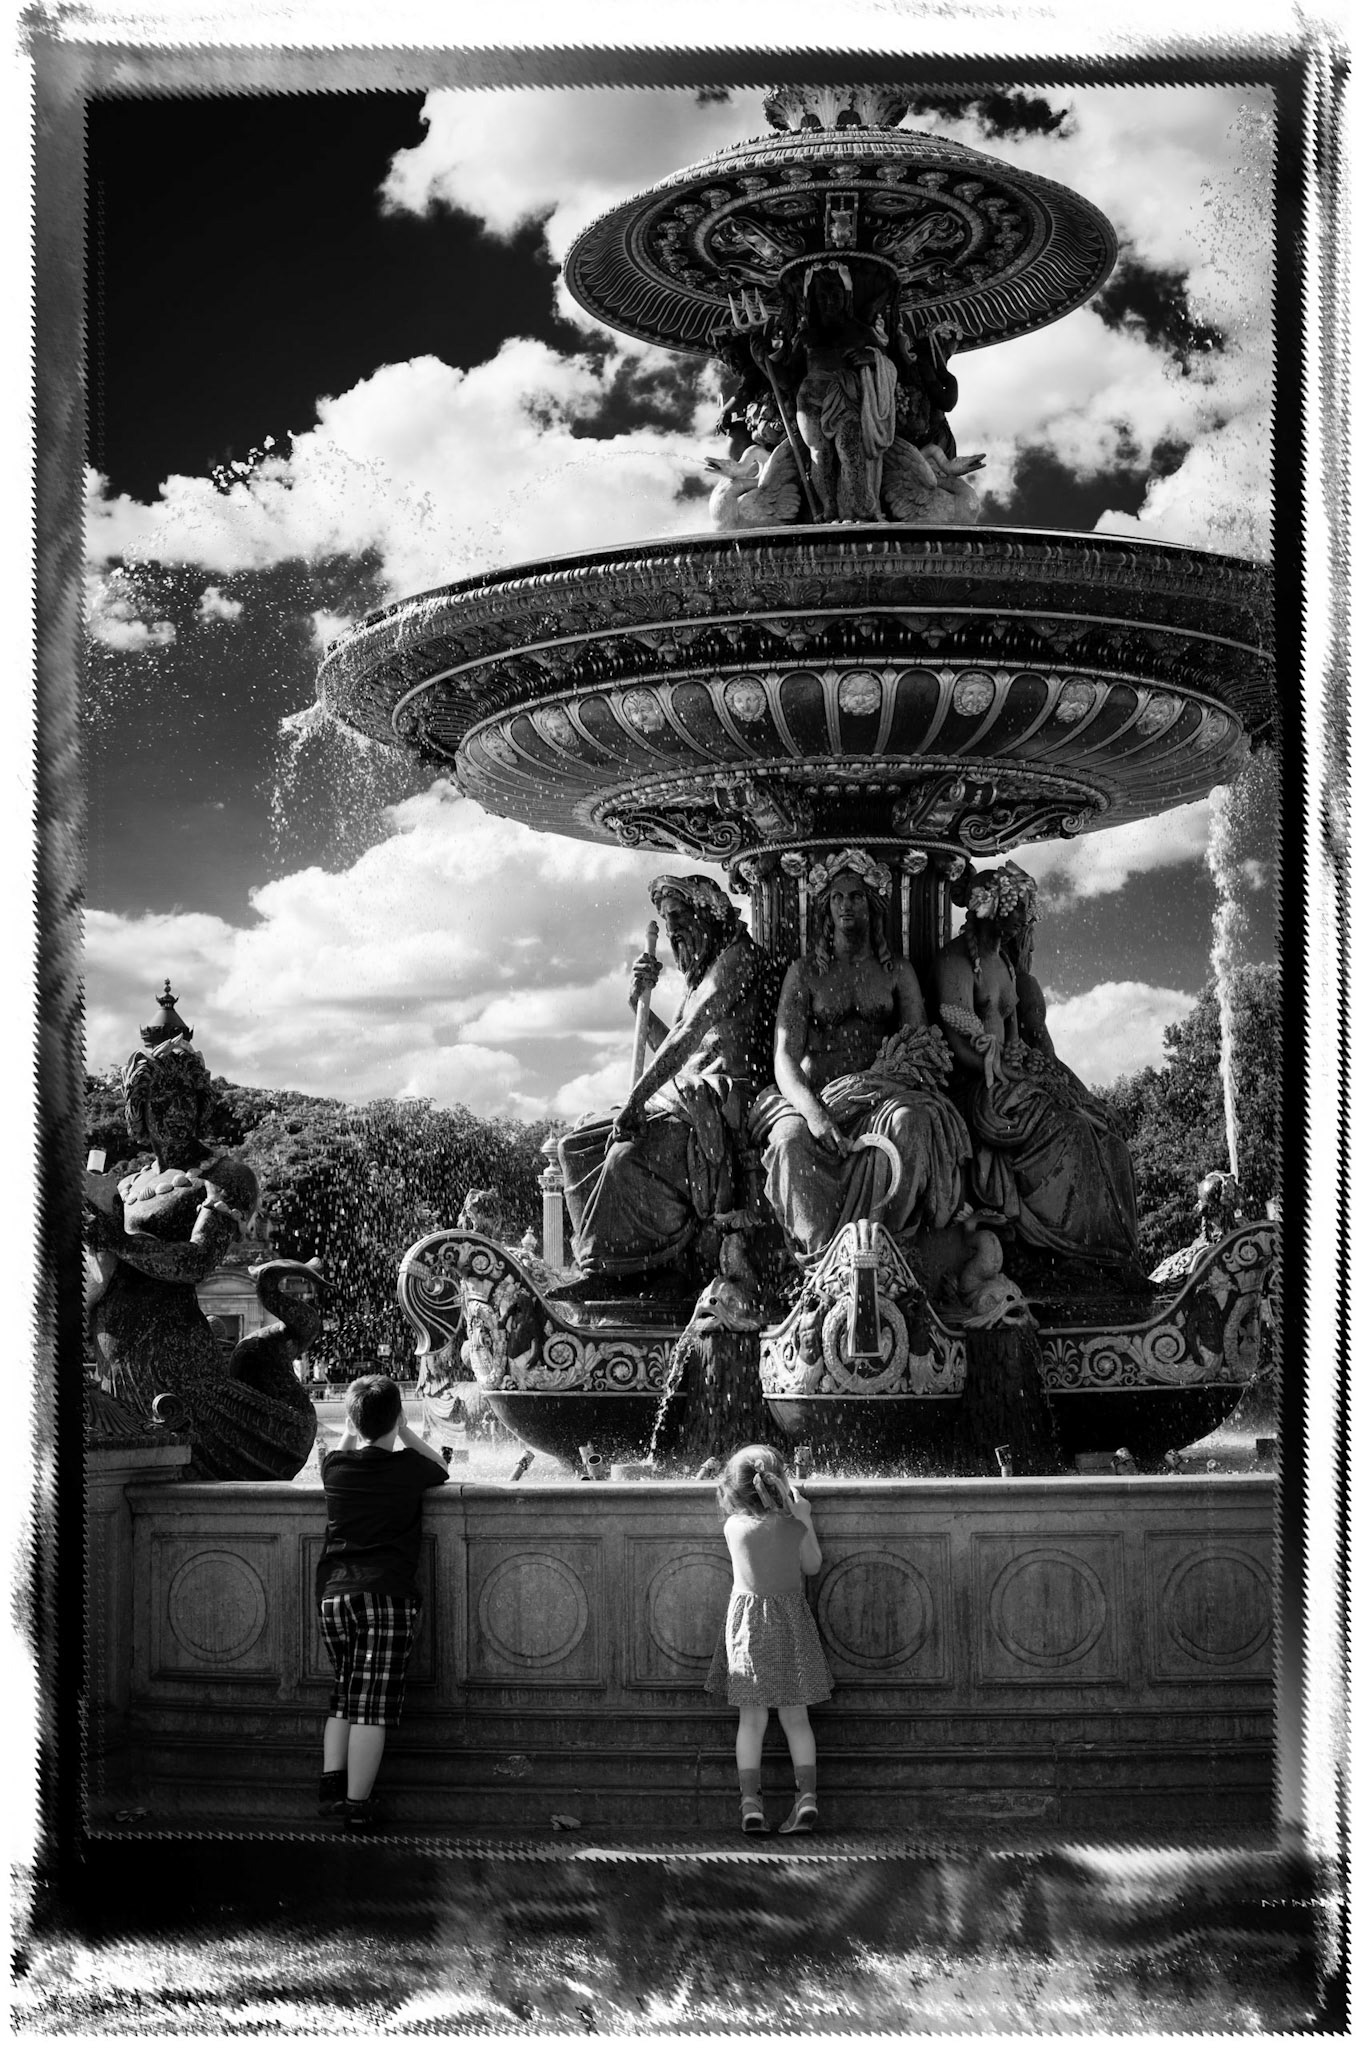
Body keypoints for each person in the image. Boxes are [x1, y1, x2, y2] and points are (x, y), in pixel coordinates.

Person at [558, 875, 781, 1286]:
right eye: (665, 919)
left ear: (710, 914)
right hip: (688, 1093)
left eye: (678, 916)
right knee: (572, 1147)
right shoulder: (702, 975)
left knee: (623, 1159)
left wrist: (637, 1098)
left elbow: (688, 1036)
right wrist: (636, 1007)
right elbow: (679, 1051)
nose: (672, 929)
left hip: (726, 1098)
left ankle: (635, 1271)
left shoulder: (739, 958)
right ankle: (596, 1261)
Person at [750, 849, 970, 1259]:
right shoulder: (804, 973)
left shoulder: (897, 972)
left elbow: (921, 1049)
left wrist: (885, 1084)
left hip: (884, 1100)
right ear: (826, 909)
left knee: (913, 1121)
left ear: (872, 906)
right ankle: (821, 1266)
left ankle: (888, 1253)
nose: (845, 905)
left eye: (855, 897)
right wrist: (814, 1115)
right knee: (788, 1142)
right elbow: (783, 1057)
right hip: (816, 1098)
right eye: (836, 897)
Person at [934, 863, 1145, 1288]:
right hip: (978, 1088)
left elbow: (1017, 1045)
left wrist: (1047, 1079)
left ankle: (1110, 1259)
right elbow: (957, 1044)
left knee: (1108, 1138)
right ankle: (1066, 1256)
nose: (1024, 921)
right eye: (1018, 910)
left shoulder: (1007, 969)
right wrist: (1004, 1070)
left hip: (1012, 1083)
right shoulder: (955, 961)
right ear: (991, 908)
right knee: (1070, 1134)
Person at [315, 1373, 448, 1832]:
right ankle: (357, 1805)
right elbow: (443, 1469)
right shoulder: (408, 1467)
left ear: (352, 1420)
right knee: (372, 1703)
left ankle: (332, 1784)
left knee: (346, 1691)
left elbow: (346, 1445)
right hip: (385, 1595)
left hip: (334, 1596)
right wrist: (405, 1430)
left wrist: (356, 1427)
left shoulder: (335, 1468)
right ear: (397, 1415)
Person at [705, 1444, 831, 1835]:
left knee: (751, 1720)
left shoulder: (733, 1528)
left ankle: (750, 1804)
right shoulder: (793, 1524)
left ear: (734, 1492)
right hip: (792, 1625)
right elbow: (812, 1565)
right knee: (797, 1717)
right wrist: (803, 1516)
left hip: (748, 1631)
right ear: (780, 1483)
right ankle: (806, 1798)